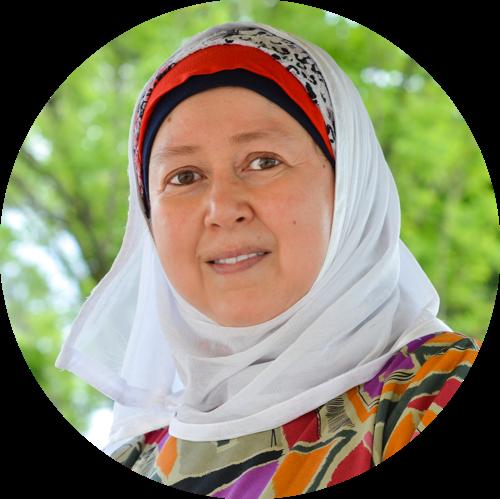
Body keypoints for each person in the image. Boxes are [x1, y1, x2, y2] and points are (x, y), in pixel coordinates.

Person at [55, 21, 481, 495]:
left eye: (263, 161)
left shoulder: (432, 398)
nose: (222, 209)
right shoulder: (135, 458)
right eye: (184, 176)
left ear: (349, 188)